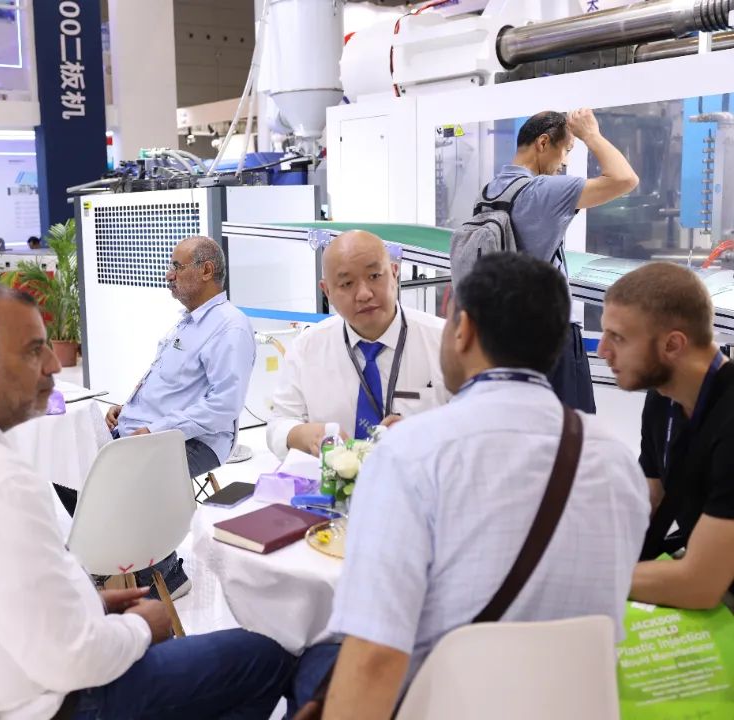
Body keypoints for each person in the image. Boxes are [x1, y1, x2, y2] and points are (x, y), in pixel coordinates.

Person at [0, 282, 294, 720]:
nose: (52, 365)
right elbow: (74, 661)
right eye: (34, 350)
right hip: (55, 703)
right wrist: (143, 626)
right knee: (264, 657)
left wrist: (89, 605)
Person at [293, 253, 649, 718]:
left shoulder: (411, 454)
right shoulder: (617, 462)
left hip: (443, 705)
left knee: (304, 662)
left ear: (463, 330)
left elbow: (375, 659)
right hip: (576, 705)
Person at [105, 236, 254, 597]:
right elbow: (168, 382)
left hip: (198, 441)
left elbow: (224, 406)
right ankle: (109, 563)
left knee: (118, 476)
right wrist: (129, 408)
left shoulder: (229, 327)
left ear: (206, 270)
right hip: (147, 431)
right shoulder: (188, 322)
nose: (168, 274)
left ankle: (166, 575)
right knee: (72, 464)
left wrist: (153, 431)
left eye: (176, 266)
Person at [482, 109, 638, 414]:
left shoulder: (489, 192)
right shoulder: (542, 190)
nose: (564, 162)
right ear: (543, 143)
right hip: (552, 337)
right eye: (566, 150)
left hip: (504, 336)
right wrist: (590, 134)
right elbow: (625, 179)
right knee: (573, 429)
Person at [598, 262, 734, 610]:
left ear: (673, 344)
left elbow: (700, 584)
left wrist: (582, 578)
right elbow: (651, 501)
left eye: (618, 337)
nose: (602, 351)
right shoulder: (663, 400)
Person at [268, 230, 448, 460]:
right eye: (347, 283)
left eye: (374, 276)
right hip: (333, 479)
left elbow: (476, 422)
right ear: (327, 291)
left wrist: (425, 434)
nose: (363, 294)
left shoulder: (444, 341)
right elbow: (279, 422)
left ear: (394, 273)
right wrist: (305, 435)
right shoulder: (306, 348)